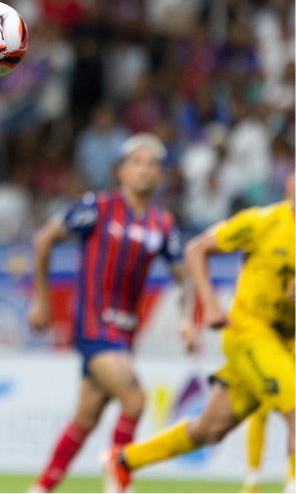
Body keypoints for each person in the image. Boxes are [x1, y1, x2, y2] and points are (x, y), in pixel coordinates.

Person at [105, 175, 294, 494]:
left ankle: (123, 461)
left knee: (211, 428)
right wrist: (209, 306)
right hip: (248, 332)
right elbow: (196, 249)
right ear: (290, 184)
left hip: (285, 342)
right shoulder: (262, 222)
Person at [27, 133, 193, 493]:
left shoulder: (162, 224)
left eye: (153, 164)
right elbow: (43, 240)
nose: (145, 170)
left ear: (161, 175)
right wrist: (41, 301)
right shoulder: (97, 207)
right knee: (135, 399)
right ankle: (118, 479)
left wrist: (186, 316)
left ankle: (41, 487)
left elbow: (185, 277)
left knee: (85, 418)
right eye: (137, 162)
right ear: (120, 170)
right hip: (92, 325)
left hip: (124, 334)